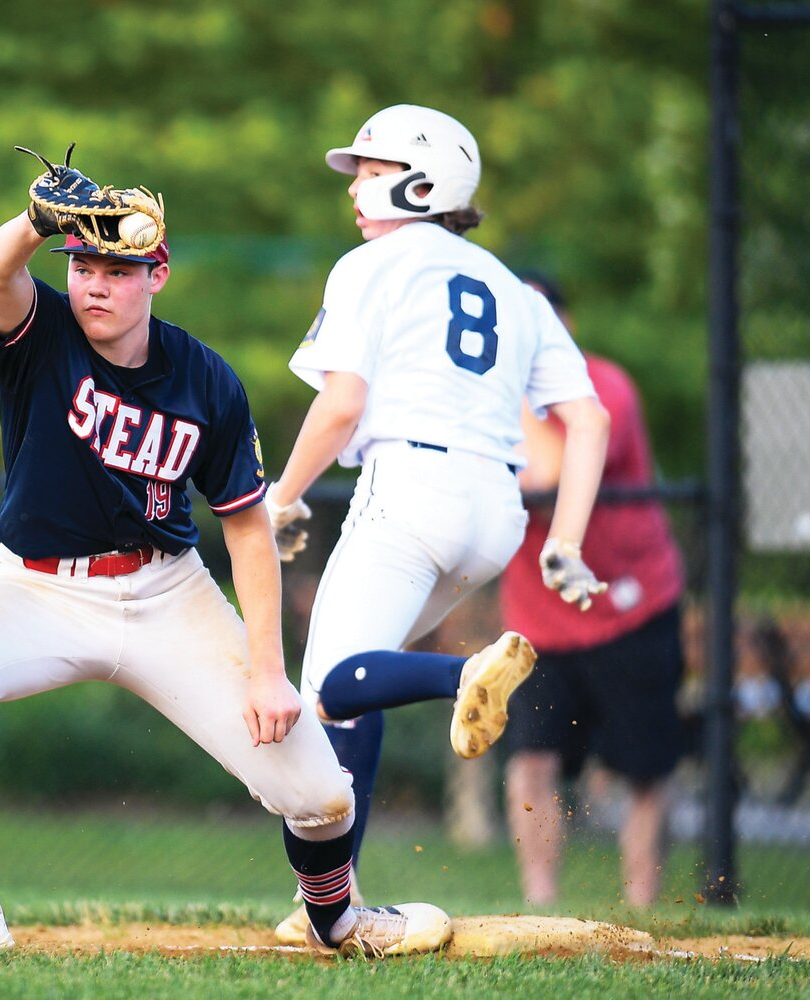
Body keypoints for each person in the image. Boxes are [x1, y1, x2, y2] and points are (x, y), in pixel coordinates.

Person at [0, 146, 452, 957]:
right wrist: (32, 222)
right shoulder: (43, 333)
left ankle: (336, 918)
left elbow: (248, 526)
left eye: (117, 269)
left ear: (157, 274)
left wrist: (268, 668)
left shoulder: (207, 380)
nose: (93, 282)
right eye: (82, 262)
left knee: (323, 792)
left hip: (168, 596)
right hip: (39, 589)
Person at [263, 105, 612, 939]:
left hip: (410, 487)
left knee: (326, 685)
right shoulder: (513, 288)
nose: (358, 186)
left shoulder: (372, 265)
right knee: (354, 693)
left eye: (374, 171)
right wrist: (564, 540)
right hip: (497, 514)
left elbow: (342, 402)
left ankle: (462, 678)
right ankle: (330, 903)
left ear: (424, 182)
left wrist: (284, 494)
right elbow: (588, 419)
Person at [500, 271, 687, 908]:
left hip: (629, 609)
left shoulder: (603, 389)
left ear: (564, 327)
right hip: (539, 621)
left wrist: (514, 391)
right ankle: (539, 905)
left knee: (643, 771)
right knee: (532, 762)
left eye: (536, 323)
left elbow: (550, 471)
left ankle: (642, 911)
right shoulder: (489, 395)